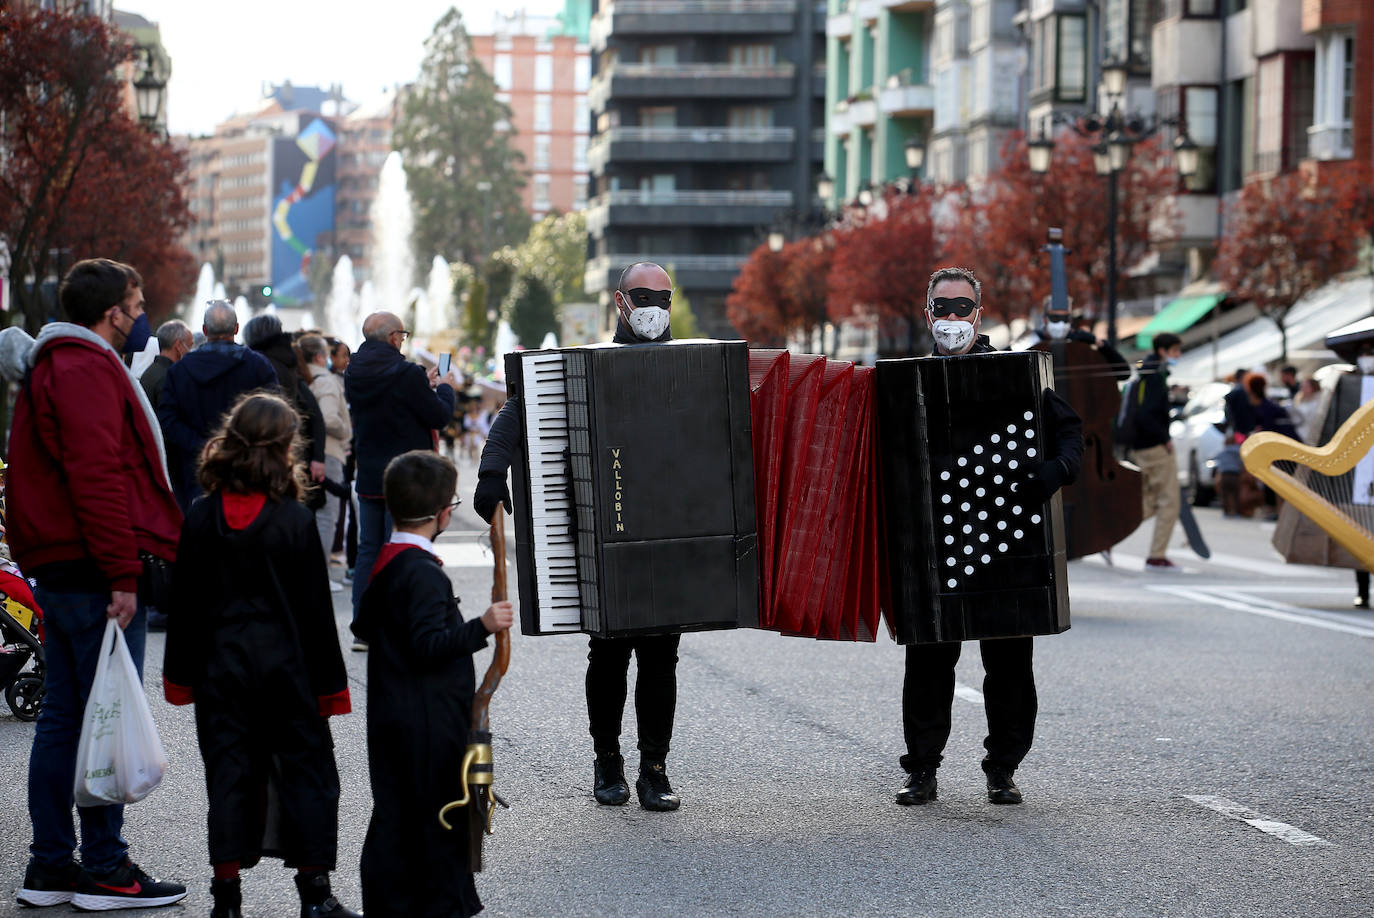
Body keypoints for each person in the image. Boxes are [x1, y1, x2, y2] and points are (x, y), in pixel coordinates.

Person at [0, 259, 187, 911]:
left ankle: (51, 867)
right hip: (90, 567)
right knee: (101, 715)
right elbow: (97, 475)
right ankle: (104, 867)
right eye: (135, 306)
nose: (140, 318)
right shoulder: (84, 367)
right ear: (113, 312)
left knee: (65, 716)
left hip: (61, 563)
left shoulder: (54, 365)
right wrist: (120, 572)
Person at [475, 261, 686, 812]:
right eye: (643, 296)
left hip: (671, 535)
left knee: (662, 657)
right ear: (620, 301)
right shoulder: (587, 365)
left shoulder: (692, 368)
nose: (654, 308)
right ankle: (607, 762)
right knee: (610, 654)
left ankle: (655, 769)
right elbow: (519, 411)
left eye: (663, 299)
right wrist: (491, 472)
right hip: (605, 530)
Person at [162, 393, 358, 918]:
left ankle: (226, 898)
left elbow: (184, 604)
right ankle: (314, 894)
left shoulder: (202, 516)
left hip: (219, 673)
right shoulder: (292, 520)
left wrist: (179, 676)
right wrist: (330, 689)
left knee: (228, 775)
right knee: (309, 772)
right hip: (287, 672)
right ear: (283, 448)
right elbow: (317, 614)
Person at [897, 266, 1083, 808]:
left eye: (961, 307)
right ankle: (922, 770)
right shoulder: (905, 379)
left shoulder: (1015, 371)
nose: (951, 317)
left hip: (1010, 545)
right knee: (928, 664)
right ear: (926, 311)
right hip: (933, 545)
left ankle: (1003, 768)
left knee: (1008, 667)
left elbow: (1070, 433)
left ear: (979, 313)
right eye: (942, 307)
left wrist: (1058, 470)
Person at [351, 450, 514, 918]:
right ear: (444, 513)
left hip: (394, 718)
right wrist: (481, 625)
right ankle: (436, 905)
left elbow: (365, 624)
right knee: (437, 816)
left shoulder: (389, 559)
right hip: (425, 724)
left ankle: (394, 903)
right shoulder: (420, 572)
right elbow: (427, 645)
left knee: (398, 816)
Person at [344, 312, 458, 644]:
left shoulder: (354, 370)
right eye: (403, 336)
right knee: (404, 548)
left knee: (368, 550)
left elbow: (393, 402)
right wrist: (445, 390)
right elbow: (438, 415)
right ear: (394, 337)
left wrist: (425, 384)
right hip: (407, 477)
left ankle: (362, 628)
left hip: (368, 473)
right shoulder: (405, 372)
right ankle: (396, 623)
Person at [158, 300, 278, 512]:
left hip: (198, 471)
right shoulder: (258, 366)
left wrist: (201, 445)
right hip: (247, 469)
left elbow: (167, 419)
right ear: (236, 328)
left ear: (204, 330)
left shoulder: (180, 370)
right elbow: (274, 415)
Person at [243, 314, 327, 488]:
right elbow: (313, 411)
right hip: (289, 446)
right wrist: (318, 457)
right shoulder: (289, 364)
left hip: (263, 449)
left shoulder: (256, 364)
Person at [1127, 333, 1183, 571]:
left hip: (1139, 447)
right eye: (1175, 351)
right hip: (1155, 447)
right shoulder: (1155, 377)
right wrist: (1164, 439)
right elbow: (1148, 414)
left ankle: (1108, 534)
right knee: (1169, 502)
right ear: (1163, 351)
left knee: (1148, 501)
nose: (1178, 356)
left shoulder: (1144, 372)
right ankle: (1156, 555)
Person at [301, 334, 352, 587]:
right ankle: (318, 575)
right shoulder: (328, 382)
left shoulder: (299, 377)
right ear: (321, 356)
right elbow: (328, 418)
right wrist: (347, 431)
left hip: (303, 452)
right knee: (326, 515)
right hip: (329, 453)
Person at [140, 319, 193, 407]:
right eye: (190, 346)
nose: (191, 351)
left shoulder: (151, 371)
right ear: (179, 345)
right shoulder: (169, 378)